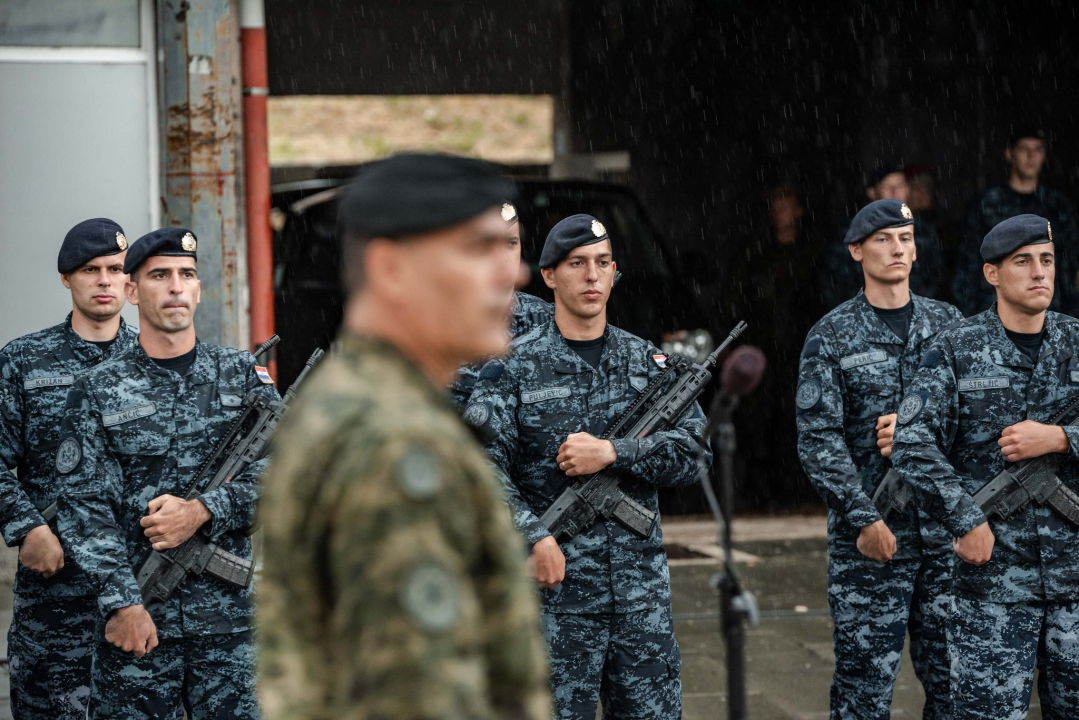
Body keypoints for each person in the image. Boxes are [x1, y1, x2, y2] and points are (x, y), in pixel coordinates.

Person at [257, 153, 550, 720]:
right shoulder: (392, 442)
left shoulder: (358, 402)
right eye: (477, 250)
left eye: (507, 248)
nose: (513, 274)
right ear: (391, 269)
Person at [467, 214, 709, 720]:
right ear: (549, 276)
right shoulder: (510, 367)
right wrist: (534, 536)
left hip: (641, 605)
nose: (592, 276)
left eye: (603, 263)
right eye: (577, 264)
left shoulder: (646, 363)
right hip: (552, 601)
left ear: (615, 272)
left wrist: (615, 452)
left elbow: (694, 454)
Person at [54, 227, 280, 718]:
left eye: (187, 275)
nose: (176, 286)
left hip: (231, 629)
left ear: (199, 289)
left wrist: (205, 509)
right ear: (132, 291)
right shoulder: (96, 389)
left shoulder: (241, 375)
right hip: (137, 622)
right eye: (159, 275)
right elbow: (83, 508)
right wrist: (122, 604)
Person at [893, 214, 1079, 718]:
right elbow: (911, 443)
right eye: (1023, 262)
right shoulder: (955, 348)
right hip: (993, 587)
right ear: (992, 274)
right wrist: (965, 518)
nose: (1039, 272)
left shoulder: (1076, 340)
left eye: (1047, 260)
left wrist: (1060, 438)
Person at [796, 199, 962, 720]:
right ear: (856, 251)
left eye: (905, 238)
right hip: (872, 542)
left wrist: (919, 434)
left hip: (946, 539)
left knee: (957, 687)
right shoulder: (830, 336)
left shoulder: (951, 325)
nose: (897, 249)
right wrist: (863, 518)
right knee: (863, 692)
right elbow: (818, 440)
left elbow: (979, 425)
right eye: (883, 239)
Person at [0, 218, 137, 719]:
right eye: (89, 270)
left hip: (139, 590)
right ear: (66, 278)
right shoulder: (23, 361)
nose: (104, 281)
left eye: (115, 269)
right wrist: (28, 527)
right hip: (54, 596)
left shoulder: (153, 360)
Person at [951, 126, 1079, 317]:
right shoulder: (986, 204)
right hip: (995, 311)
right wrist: (970, 317)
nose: (1031, 156)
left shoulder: (1058, 205)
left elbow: (1070, 262)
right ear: (1009, 154)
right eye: (1023, 148)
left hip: (1049, 311)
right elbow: (967, 263)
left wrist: (1069, 316)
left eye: (1037, 149)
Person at [449, 200, 551, 410]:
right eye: (488, 244)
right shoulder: (435, 323)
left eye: (511, 243)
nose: (504, 257)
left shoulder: (547, 320)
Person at [821, 164, 946, 309]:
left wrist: (918, 309)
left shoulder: (924, 230)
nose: (895, 192)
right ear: (872, 192)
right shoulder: (853, 232)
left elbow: (937, 277)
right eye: (887, 186)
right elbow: (834, 282)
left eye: (901, 185)